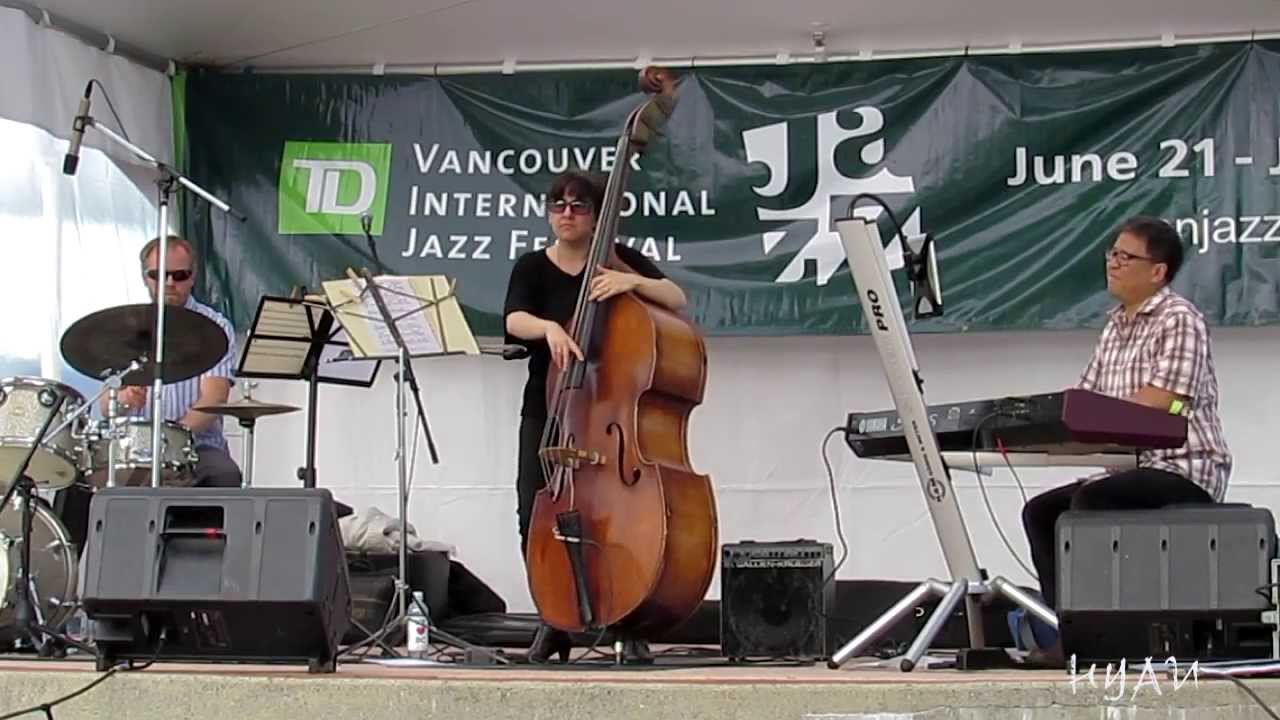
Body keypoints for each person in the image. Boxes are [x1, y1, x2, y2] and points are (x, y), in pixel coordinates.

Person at [1020, 216, 1232, 665]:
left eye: (1125, 256)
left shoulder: (1179, 319)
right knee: (1041, 512)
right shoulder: (1115, 326)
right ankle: (1071, 634)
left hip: (1182, 468)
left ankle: (1099, 638)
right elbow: (1087, 401)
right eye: (1111, 254)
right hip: (1126, 469)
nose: (1112, 263)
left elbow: (1164, 400)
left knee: (1093, 503)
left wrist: (1099, 415)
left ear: (1157, 271)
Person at [502, 171, 688, 663]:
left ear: (597, 216)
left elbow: (677, 299)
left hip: (612, 415)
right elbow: (513, 318)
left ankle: (627, 618)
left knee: (622, 519)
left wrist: (632, 281)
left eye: (578, 206)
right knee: (534, 512)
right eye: (557, 205)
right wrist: (548, 329)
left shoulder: (618, 263)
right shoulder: (533, 267)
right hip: (553, 408)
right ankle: (554, 618)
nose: (566, 214)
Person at [102, 234, 243, 488]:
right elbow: (105, 405)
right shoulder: (124, 325)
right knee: (76, 486)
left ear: (193, 277)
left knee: (225, 475)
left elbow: (214, 399)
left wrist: (171, 440)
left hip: (196, 447)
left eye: (179, 276)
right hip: (133, 448)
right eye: (159, 275)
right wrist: (122, 399)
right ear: (145, 277)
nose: (169, 283)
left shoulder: (215, 327)